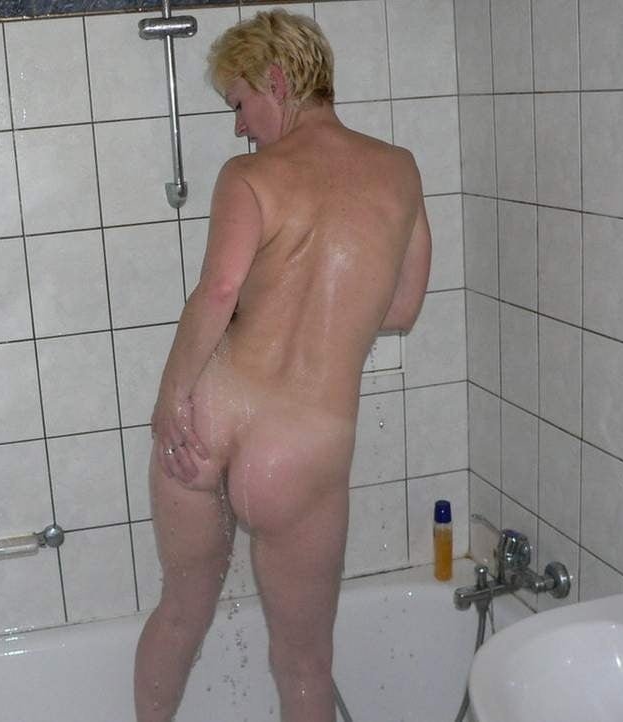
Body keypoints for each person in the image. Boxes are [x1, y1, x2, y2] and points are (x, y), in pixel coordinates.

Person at [134, 9, 431, 722]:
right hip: (299, 447)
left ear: (275, 80)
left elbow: (218, 292)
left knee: (180, 613)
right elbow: (401, 309)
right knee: (302, 663)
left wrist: (171, 399)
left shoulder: (249, 176)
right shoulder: (399, 170)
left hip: (205, 419)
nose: (239, 127)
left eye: (239, 104)